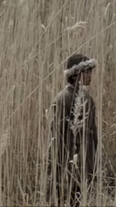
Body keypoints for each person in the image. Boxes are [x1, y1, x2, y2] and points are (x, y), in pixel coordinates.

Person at [46, 53, 99, 207]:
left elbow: (93, 134)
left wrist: (93, 163)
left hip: (83, 165)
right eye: (86, 71)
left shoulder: (87, 98)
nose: (90, 75)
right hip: (67, 166)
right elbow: (57, 136)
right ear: (75, 75)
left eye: (91, 71)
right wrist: (57, 169)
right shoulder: (63, 99)